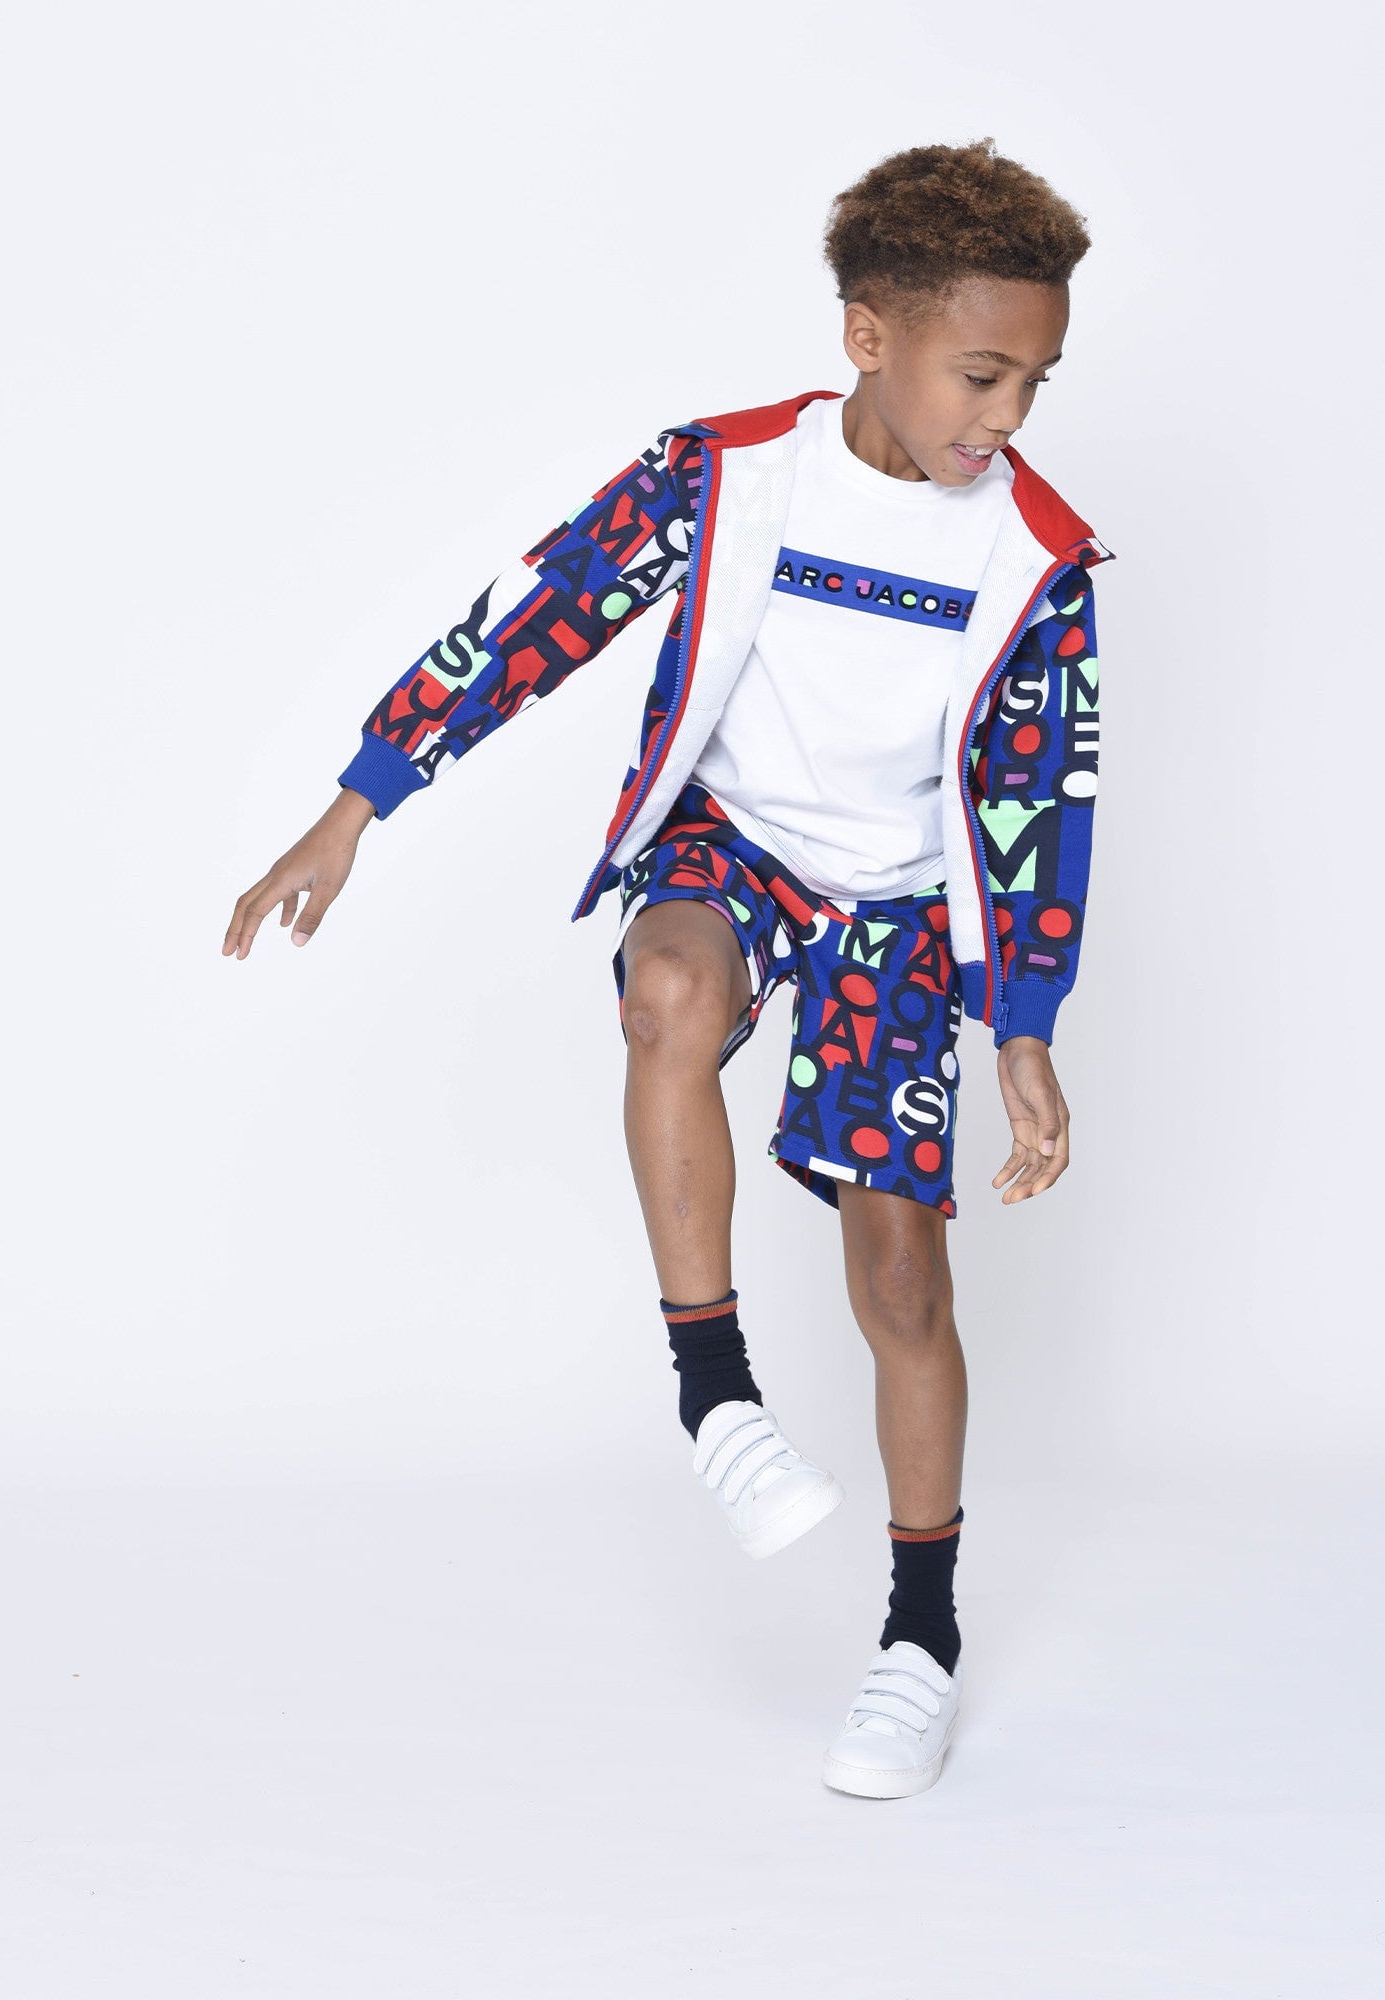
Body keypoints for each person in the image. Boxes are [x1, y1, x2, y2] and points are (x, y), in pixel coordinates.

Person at [224, 139, 1108, 1799]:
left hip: (902, 909)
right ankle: (717, 1396)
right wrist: (357, 807)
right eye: (981, 374)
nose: (1007, 417)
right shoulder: (730, 475)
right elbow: (534, 617)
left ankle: (920, 1635)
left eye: (1035, 383)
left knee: (904, 1286)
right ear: (870, 338)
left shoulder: (1038, 557)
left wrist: (1022, 1027)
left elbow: (1039, 800)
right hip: (736, 850)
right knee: (671, 996)